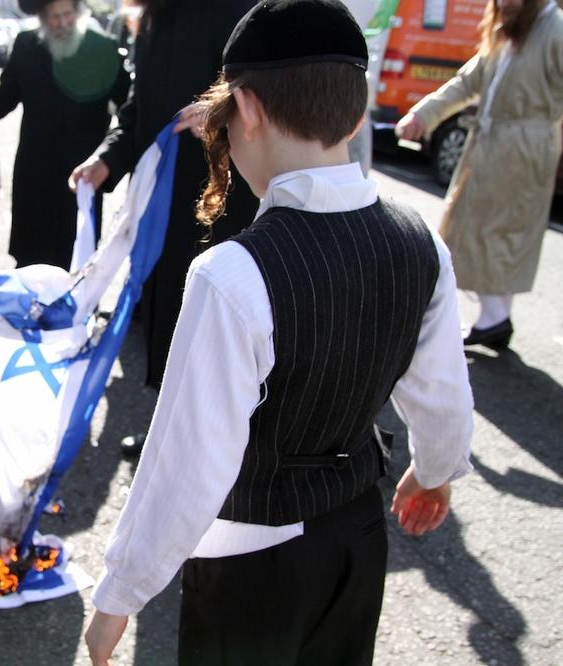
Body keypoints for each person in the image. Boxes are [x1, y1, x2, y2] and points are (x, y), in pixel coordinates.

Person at [83, 1, 474, 663]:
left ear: (248, 110)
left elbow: (185, 464)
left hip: (249, 556)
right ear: (357, 116)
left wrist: (120, 594)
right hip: (355, 537)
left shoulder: (229, 275)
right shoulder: (421, 245)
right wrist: (434, 473)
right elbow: (443, 398)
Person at [69, 0, 260, 457]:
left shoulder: (240, 9)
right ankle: (172, 435)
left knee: (214, 323)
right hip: (162, 206)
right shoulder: (153, 18)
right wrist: (106, 159)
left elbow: (264, 92)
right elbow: (140, 108)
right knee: (168, 315)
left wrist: (217, 111)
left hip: (223, 201)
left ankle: (218, 447)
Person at [396, 0, 563, 348]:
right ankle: (494, 317)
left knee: (502, 231)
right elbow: (466, 82)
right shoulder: (509, 30)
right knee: (477, 228)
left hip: (525, 150)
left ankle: (495, 318)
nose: (503, 3)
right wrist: (423, 115)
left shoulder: (554, 28)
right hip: (493, 145)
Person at [0, 0, 130, 269]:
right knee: (32, 256)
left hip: (82, 174)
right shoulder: (26, 46)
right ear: (43, 19)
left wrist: (114, 155)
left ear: (78, 14)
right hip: (35, 173)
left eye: (68, 15)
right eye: (55, 17)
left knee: (77, 258)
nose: (63, 23)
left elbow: (129, 105)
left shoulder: (101, 49)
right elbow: (4, 98)